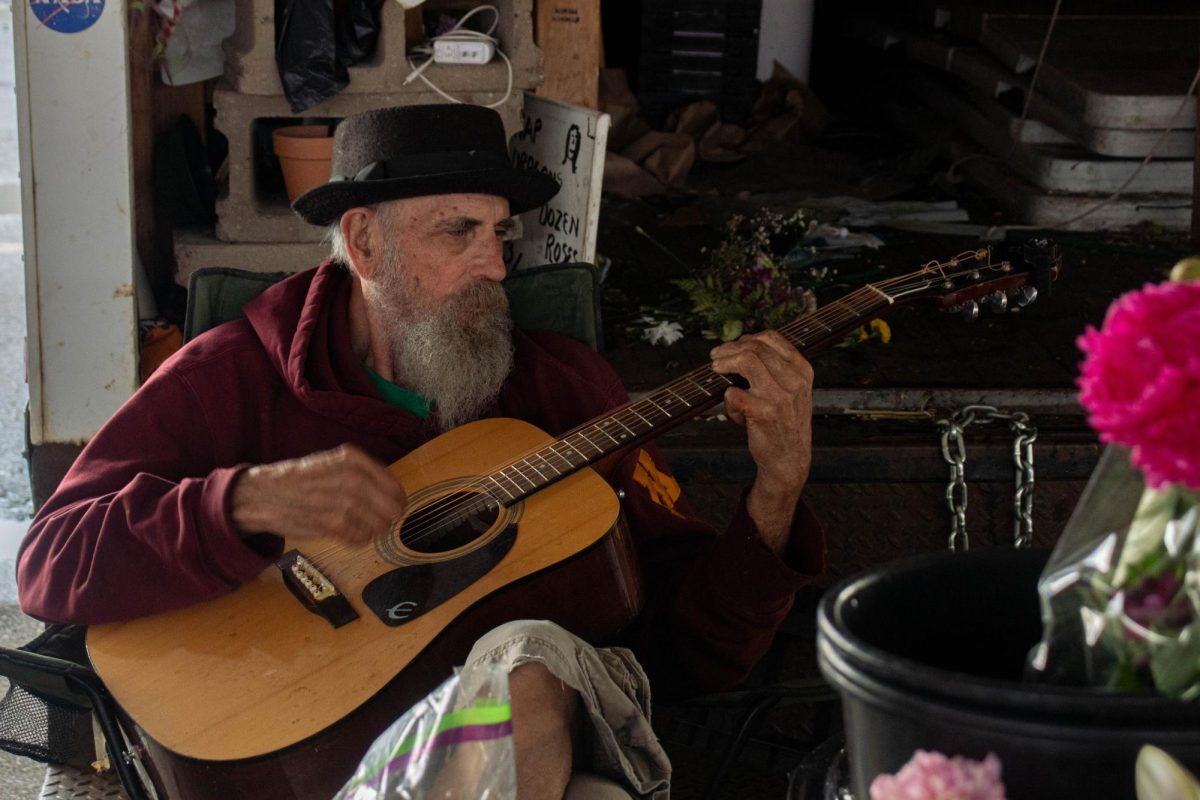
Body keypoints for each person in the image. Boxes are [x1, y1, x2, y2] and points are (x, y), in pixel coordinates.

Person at [17, 104, 824, 799]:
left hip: (512, 749)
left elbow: (699, 656)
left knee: (529, 667)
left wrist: (776, 493)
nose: (496, 267)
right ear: (365, 243)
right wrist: (239, 505)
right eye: (459, 232)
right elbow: (48, 565)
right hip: (289, 753)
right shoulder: (232, 373)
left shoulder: (565, 391)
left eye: (501, 234)